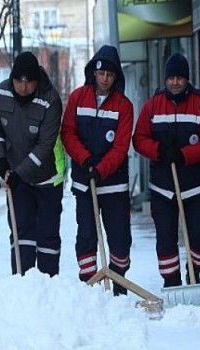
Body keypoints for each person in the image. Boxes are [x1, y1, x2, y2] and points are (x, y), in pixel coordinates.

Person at [133, 53, 200, 287]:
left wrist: (182, 154)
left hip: (195, 186)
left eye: (180, 78)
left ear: (187, 79)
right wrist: (159, 150)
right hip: (163, 188)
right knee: (166, 241)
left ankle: (194, 271)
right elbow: (139, 139)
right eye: (171, 78)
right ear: (165, 79)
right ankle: (171, 282)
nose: (175, 82)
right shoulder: (152, 106)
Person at [61, 45, 133, 296]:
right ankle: (89, 288)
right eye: (101, 73)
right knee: (87, 236)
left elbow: (121, 145)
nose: (105, 79)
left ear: (116, 77)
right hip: (84, 182)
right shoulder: (77, 98)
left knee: (119, 237)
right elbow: (68, 133)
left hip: (113, 184)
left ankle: (119, 286)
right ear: (93, 72)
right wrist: (85, 160)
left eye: (110, 75)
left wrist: (101, 169)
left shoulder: (124, 106)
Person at [0, 51, 66, 277]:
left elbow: (45, 145)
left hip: (47, 178)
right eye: (18, 82)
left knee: (48, 235)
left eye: (28, 82)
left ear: (36, 81)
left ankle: (48, 285)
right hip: (17, 180)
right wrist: (1, 160)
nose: (23, 87)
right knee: (21, 232)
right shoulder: (2, 92)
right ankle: (23, 286)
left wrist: (19, 173)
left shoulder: (50, 100)